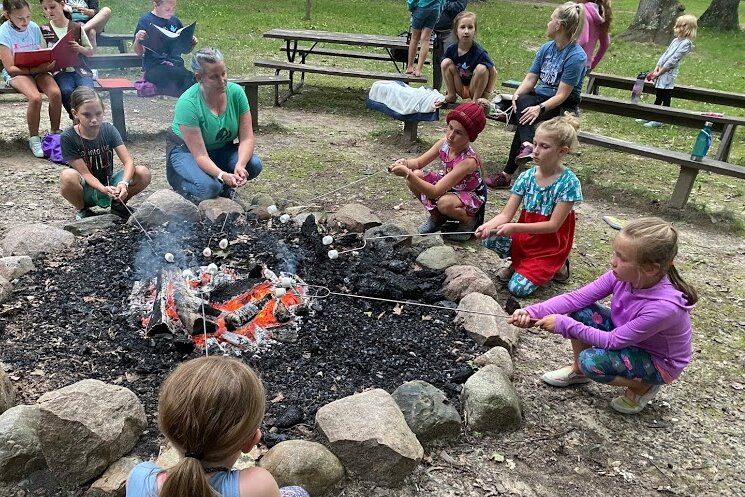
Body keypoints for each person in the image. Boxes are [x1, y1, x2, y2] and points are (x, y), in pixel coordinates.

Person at [509, 217, 697, 415]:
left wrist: (564, 324)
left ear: (650, 268)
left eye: (622, 258)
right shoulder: (623, 277)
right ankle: (578, 372)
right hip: (629, 338)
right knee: (581, 311)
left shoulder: (664, 308)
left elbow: (613, 341)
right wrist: (531, 312)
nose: (613, 261)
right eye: (615, 253)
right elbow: (577, 298)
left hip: (657, 361)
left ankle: (643, 386)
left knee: (590, 362)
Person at [126, 356, 311, 497]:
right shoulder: (257, 485)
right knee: (297, 492)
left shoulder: (140, 477)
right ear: (251, 442)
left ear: (168, 433)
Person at [475, 114, 583, 297]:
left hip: (549, 247)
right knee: (490, 237)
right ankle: (520, 263)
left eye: (544, 146)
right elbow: (505, 215)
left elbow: (553, 226)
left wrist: (514, 228)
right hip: (525, 240)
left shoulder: (568, 183)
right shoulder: (526, 177)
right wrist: (487, 226)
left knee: (517, 289)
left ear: (562, 151)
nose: (536, 151)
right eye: (535, 143)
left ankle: (558, 266)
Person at [484, 2, 586, 190]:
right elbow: (531, 78)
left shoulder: (576, 56)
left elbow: (563, 94)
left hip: (563, 105)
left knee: (526, 116)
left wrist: (539, 108)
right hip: (540, 98)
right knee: (523, 101)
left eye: (551, 19)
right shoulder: (547, 48)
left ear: (559, 25)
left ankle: (507, 173)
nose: (548, 23)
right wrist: (516, 95)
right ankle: (526, 145)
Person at [166, 48, 262, 203]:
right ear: (199, 77)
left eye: (223, 73)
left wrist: (240, 165)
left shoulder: (236, 93)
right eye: (214, 77)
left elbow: (247, 138)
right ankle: (183, 184)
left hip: (220, 149)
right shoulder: (188, 103)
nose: (222, 80)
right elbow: (200, 155)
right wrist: (222, 175)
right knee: (210, 188)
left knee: (254, 165)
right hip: (186, 151)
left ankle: (218, 180)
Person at [389, 101, 487, 242]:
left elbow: (435, 192)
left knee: (444, 202)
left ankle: (468, 221)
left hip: (469, 194)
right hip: (450, 185)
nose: (450, 136)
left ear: (470, 137)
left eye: (458, 132)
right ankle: (437, 217)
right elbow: (418, 163)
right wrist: (405, 162)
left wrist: (407, 173)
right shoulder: (444, 144)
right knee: (416, 176)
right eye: (450, 127)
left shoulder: (468, 161)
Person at [59, 87, 151, 221]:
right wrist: (102, 188)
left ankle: (118, 205)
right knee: (67, 176)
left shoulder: (108, 130)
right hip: (87, 189)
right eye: (87, 115)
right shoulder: (68, 137)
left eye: (98, 114)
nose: (94, 120)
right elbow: (85, 173)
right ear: (75, 113)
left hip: (110, 183)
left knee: (143, 173)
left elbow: (128, 162)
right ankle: (82, 210)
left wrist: (124, 183)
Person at [0, 0, 62, 157]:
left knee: (55, 93)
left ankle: (55, 134)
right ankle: (34, 138)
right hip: (18, 73)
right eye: (20, 18)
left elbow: (38, 50)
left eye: (28, 16)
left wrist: (47, 59)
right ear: (8, 16)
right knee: (35, 98)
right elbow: (10, 68)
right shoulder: (3, 32)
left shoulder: (34, 27)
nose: (25, 21)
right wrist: (37, 69)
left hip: (37, 69)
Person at [638, 14, 696, 129]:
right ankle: (652, 115)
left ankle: (661, 119)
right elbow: (665, 54)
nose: (676, 28)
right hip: (661, 71)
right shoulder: (675, 40)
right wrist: (657, 67)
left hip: (668, 73)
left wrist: (661, 71)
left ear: (687, 28)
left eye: (680, 26)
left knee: (665, 96)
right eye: (677, 25)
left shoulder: (686, 44)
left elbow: (673, 59)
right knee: (658, 95)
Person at [40, 0, 94, 120]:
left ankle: (88, 120)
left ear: (62, 5)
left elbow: (90, 51)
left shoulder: (76, 27)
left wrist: (79, 48)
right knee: (66, 90)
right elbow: (42, 53)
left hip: (80, 70)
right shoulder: (44, 30)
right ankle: (77, 119)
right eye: (45, 9)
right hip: (60, 72)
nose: (49, 11)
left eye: (52, 7)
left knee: (87, 92)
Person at [132, 0, 196, 97]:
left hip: (176, 64)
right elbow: (139, 52)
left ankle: (185, 89)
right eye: (167, 9)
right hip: (154, 66)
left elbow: (184, 50)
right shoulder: (145, 21)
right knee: (179, 77)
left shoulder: (175, 21)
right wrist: (137, 39)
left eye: (173, 9)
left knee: (187, 76)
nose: (171, 12)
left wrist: (191, 43)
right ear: (156, 5)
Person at [440, 11, 496, 105]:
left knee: (482, 69)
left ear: (475, 30)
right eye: (462, 27)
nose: (466, 31)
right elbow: (446, 69)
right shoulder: (451, 49)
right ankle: (451, 95)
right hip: (459, 86)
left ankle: (475, 101)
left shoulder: (480, 52)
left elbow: (493, 73)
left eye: (470, 27)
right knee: (445, 62)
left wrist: (486, 95)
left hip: (474, 88)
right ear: (456, 30)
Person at [405, 0, 441, 78]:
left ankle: (410, 67)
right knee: (426, 40)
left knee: (414, 38)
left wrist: (410, 6)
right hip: (436, 8)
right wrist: (439, 10)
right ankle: (419, 69)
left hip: (421, 7)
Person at [576, 0, 611, 73]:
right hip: (586, 64)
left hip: (571, 61)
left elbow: (582, 40)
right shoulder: (600, 13)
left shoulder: (582, 10)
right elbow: (606, 43)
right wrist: (592, 63)